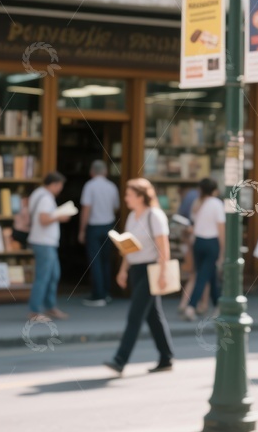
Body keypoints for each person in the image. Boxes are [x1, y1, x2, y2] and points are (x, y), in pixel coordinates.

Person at [105, 178, 175, 374]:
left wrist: (162, 274)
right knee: (153, 316)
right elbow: (128, 246)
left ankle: (120, 359)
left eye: (129, 194)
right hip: (136, 269)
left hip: (151, 270)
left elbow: (163, 249)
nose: (126, 198)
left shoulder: (155, 216)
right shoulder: (132, 217)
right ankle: (166, 357)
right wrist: (123, 270)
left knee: (135, 315)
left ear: (139, 196)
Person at [27, 172, 71, 321]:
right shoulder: (46, 198)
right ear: (54, 184)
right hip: (44, 241)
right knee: (44, 276)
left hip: (44, 241)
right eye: (60, 186)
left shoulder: (38, 193)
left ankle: (49, 306)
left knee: (52, 275)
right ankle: (35, 311)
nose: (60, 189)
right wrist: (60, 216)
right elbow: (44, 219)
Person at [78, 160, 120, 307]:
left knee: (95, 261)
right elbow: (116, 207)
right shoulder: (112, 186)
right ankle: (106, 293)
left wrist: (82, 230)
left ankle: (98, 295)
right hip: (109, 226)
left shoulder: (90, 186)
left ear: (91, 172)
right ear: (106, 172)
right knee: (106, 260)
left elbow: (86, 209)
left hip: (94, 226)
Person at [182, 178, 225, 321]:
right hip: (211, 242)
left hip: (198, 242)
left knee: (210, 275)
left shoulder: (197, 203)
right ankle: (191, 306)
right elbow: (221, 229)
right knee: (203, 276)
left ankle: (218, 304)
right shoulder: (216, 204)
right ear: (214, 190)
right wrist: (223, 249)